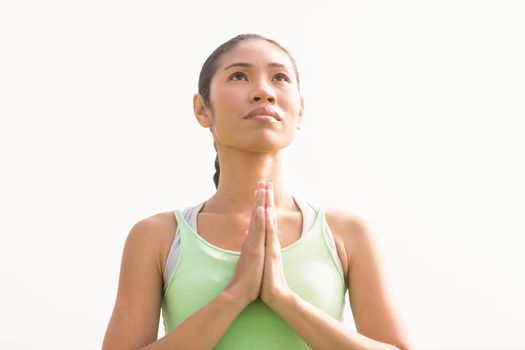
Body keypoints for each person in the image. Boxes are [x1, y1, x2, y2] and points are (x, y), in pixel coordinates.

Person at [102, 33, 411, 350]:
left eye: (279, 77)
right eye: (239, 75)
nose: (264, 91)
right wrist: (235, 296)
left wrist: (283, 298)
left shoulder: (347, 233)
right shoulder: (156, 237)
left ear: (300, 110)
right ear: (201, 109)